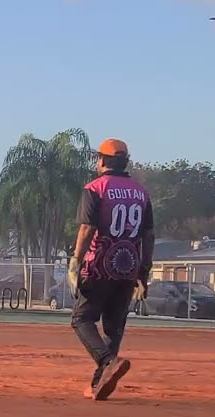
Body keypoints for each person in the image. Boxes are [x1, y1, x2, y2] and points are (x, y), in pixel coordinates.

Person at [69, 138, 155, 401]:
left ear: (103, 160)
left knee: (81, 319)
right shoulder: (141, 192)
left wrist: (75, 261)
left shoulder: (95, 188)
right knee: (113, 328)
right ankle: (99, 384)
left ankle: (108, 362)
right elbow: (149, 235)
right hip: (127, 268)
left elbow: (87, 228)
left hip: (98, 266)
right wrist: (144, 271)